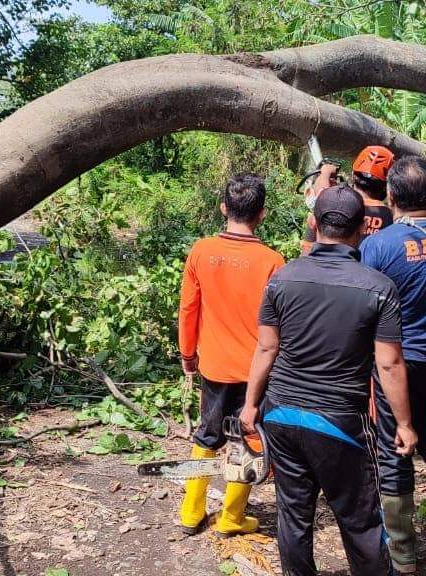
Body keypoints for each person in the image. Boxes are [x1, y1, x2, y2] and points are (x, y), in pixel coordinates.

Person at [239, 184, 418, 575]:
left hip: (281, 414)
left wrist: (251, 405)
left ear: (314, 224)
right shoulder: (378, 288)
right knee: (360, 521)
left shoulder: (282, 279)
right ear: (363, 230)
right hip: (340, 423)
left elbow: (266, 349)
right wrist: (404, 424)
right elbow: (388, 365)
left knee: (293, 517)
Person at [178, 174, 284, 536]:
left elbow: (188, 309)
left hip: (214, 366)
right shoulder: (272, 261)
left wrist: (187, 354)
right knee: (248, 438)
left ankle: (192, 513)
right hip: (256, 371)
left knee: (205, 439)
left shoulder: (201, 250)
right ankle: (232, 518)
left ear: (224, 207)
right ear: (263, 214)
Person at [360, 155, 426, 574]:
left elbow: (362, 310)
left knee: (395, 450)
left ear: (390, 195)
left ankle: (403, 554)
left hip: (398, 365)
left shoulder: (378, 246)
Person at [301, 145, 395, 255]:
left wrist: (325, 173)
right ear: (386, 187)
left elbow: (321, 193)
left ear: (353, 175)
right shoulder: (392, 217)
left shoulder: (336, 205)